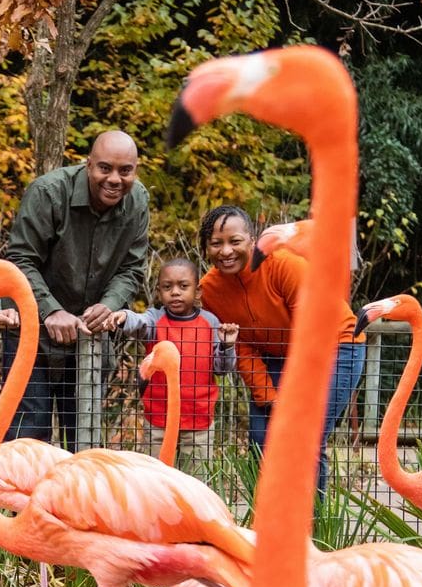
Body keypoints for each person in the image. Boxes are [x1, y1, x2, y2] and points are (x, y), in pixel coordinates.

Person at [0, 130, 150, 453]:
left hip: (89, 337)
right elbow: (21, 259)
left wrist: (108, 305)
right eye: (104, 168)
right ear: (87, 164)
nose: (114, 179)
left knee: (84, 434)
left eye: (126, 171)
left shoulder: (138, 203)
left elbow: (132, 268)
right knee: (30, 433)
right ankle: (20, 505)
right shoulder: (49, 193)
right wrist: (50, 310)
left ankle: (72, 506)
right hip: (31, 330)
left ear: (135, 169)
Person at [198, 205, 365, 495]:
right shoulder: (210, 289)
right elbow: (243, 346)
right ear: (205, 248)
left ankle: (313, 529)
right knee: (262, 440)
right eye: (216, 243)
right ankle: (265, 528)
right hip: (274, 354)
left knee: (306, 440)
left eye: (234, 241)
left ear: (252, 239)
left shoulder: (284, 265)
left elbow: (309, 330)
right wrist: (269, 397)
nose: (226, 251)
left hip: (336, 346)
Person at [108, 257, 239, 475]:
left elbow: (222, 369)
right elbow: (139, 322)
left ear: (197, 292)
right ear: (159, 292)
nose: (175, 292)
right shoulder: (155, 319)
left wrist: (227, 345)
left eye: (183, 286)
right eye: (167, 287)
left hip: (199, 422)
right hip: (158, 420)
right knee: (156, 479)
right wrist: (124, 316)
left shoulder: (210, 323)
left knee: (195, 481)